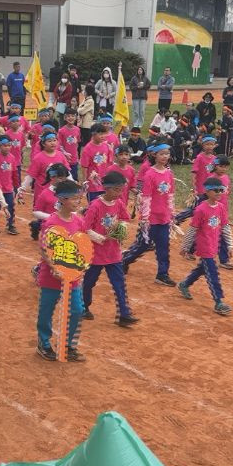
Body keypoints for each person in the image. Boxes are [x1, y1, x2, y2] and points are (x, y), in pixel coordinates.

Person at [35, 179, 87, 362]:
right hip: (52, 277)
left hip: (72, 276)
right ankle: (44, 343)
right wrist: (54, 268)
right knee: (47, 311)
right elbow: (44, 249)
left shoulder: (78, 221)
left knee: (77, 310)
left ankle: (68, 345)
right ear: (63, 199)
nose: (78, 202)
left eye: (79, 198)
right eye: (74, 198)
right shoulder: (51, 222)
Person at [81, 171, 138, 326]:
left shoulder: (118, 203)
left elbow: (125, 218)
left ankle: (124, 314)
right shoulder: (95, 205)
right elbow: (85, 228)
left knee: (119, 283)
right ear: (106, 188)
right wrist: (101, 238)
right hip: (96, 253)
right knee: (89, 282)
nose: (119, 193)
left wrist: (120, 229)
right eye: (116, 190)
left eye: (121, 190)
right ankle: (84, 307)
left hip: (113, 252)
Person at [121, 143, 177, 286]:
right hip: (151, 218)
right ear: (154, 155)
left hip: (164, 217)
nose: (165, 156)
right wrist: (145, 218)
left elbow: (170, 195)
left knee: (163, 246)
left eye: (167, 153)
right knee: (144, 244)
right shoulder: (150, 174)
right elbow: (146, 197)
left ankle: (162, 274)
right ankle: (124, 260)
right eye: (161, 154)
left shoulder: (169, 173)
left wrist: (171, 213)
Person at [176, 176, 232, 316]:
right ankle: (218, 302)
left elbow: (225, 227)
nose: (219, 193)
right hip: (204, 246)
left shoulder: (221, 207)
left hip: (214, 245)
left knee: (203, 268)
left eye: (221, 190)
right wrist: (185, 247)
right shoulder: (201, 209)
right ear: (207, 192)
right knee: (212, 272)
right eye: (215, 190)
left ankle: (185, 284)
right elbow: (192, 230)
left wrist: (230, 245)